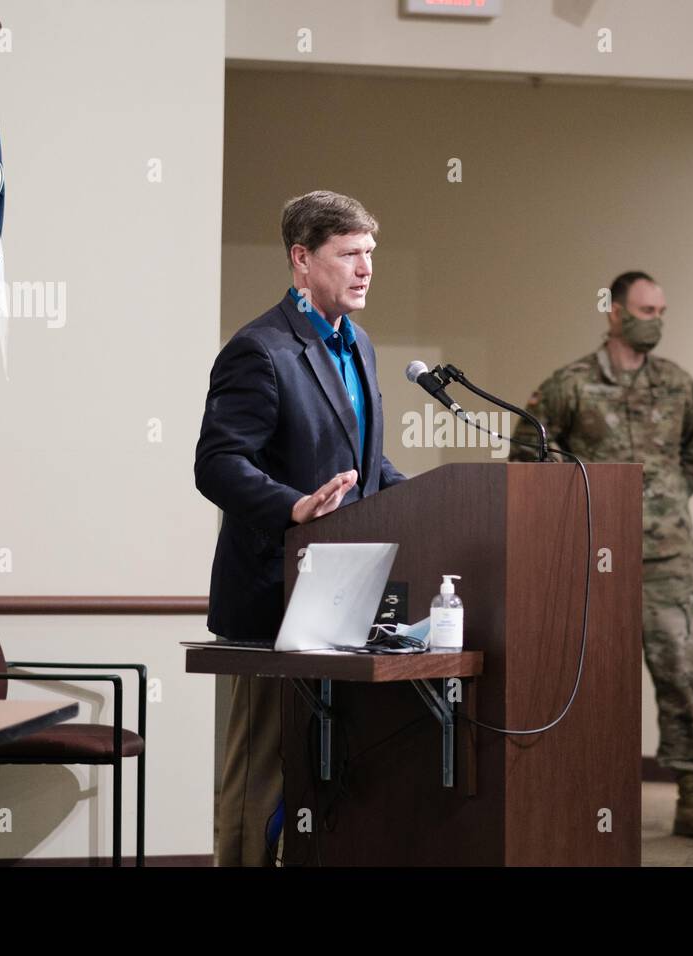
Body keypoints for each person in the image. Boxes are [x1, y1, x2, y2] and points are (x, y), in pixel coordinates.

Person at [194, 190, 406, 866]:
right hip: (270, 605)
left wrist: (433, 494)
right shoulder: (260, 349)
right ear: (301, 259)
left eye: (370, 253)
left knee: (330, 775)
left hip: (344, 600)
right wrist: (293, 507)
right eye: (348, 254)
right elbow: (218, 464)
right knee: (259, 781)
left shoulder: (360, 346)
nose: (365, 268)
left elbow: (363, 460)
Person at [510, 271, 693, 841]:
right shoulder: (571, 385)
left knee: (680, 676)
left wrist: (664, 500)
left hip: (665, 559)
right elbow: (528, 456)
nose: (654, 319)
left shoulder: (679, 386)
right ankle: (579, 799)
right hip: (594, 558)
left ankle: (691, 801)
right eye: (644, 308)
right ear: (613, 311)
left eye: (661, 310)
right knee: (586, 682)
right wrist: (584, 509)